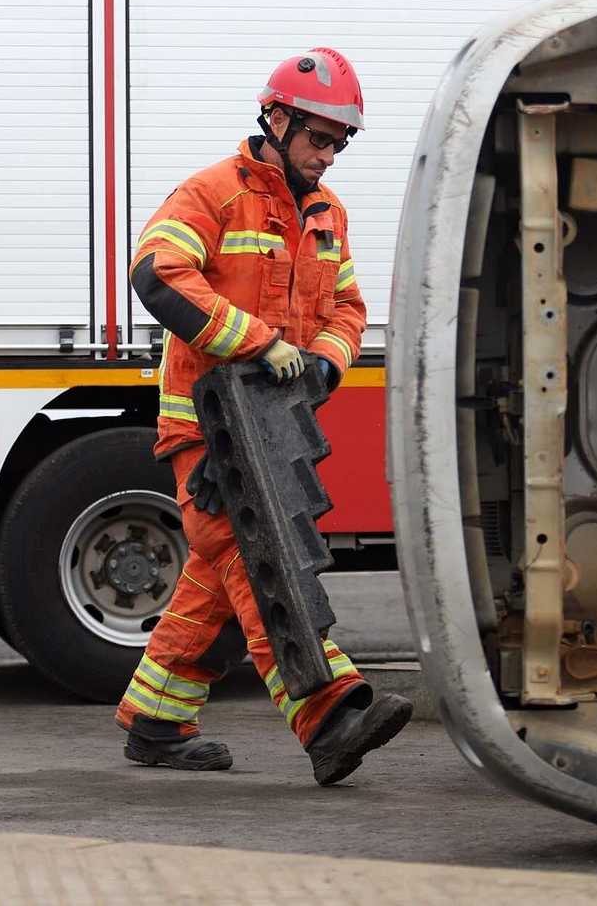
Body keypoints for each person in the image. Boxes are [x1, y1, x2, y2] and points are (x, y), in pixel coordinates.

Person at [116, 48, 413, 785]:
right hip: (207, 424)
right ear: (277, 119)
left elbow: (346, 307)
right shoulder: (214, 193)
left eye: (340, 143)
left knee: (220, 569)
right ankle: (327, 711)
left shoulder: (326, 213)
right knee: (256, 552)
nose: (328, 155)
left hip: (274, 428)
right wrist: (260, 342)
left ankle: (156, 718)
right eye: (319, 137)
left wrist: (322, 365)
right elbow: (155, 273)